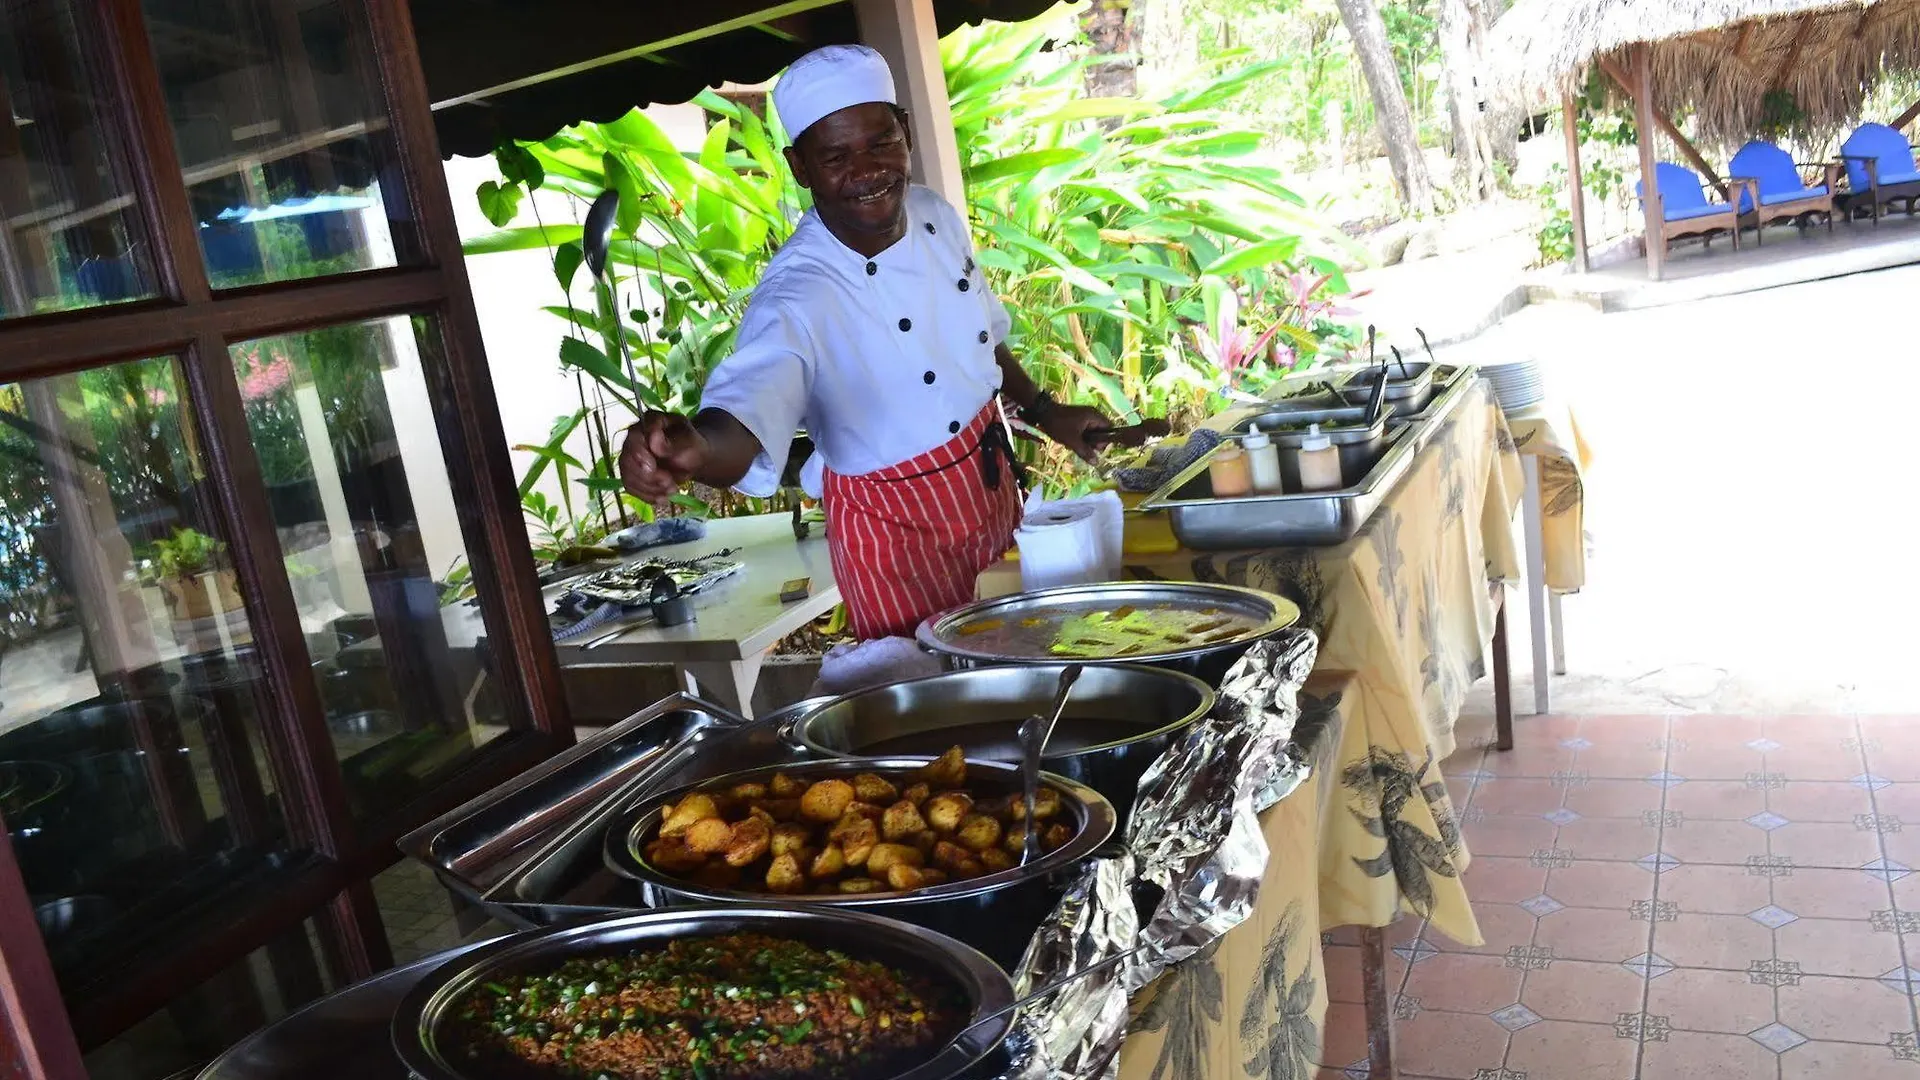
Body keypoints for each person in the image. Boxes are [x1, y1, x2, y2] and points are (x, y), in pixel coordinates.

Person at [619, 44, 1117, 641]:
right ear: (800, 167)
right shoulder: (797, 293)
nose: (867, 171)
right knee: (937, 709)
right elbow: (744, 413)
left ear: (905, 132)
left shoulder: (933, 213)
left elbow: (977, 335)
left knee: (1033, 651)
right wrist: (694, 448)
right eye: (835, 157)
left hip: (988, 494)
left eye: (881, 142)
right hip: (892, 534)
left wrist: (1043, 409)